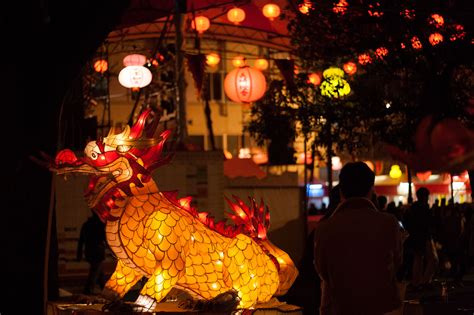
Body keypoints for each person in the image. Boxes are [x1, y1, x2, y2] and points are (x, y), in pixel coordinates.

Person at [313, 162, 406, 315]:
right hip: (381, 306)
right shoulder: (389, 223)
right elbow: (396, 262)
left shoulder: (325, 227)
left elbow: (322, 271)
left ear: (341, 191)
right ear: (371, 189)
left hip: (341, 306)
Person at [403, 187, 438, 289]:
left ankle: (417, 282)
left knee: (418, 259)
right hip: (425, 236)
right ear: (424, 196)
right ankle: (424, 281)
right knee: (432, 259)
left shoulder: (413, 208)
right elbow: (428, 223)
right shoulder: (423, 208)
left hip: (416, 237)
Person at [77, 210, 107, 294]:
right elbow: (105, 239)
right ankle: (88, 291)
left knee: (99, 272)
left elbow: (81, 241)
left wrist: (79, 254)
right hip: (98, 252)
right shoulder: (100, 225)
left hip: (89, 252)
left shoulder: (86, 225)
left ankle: (104, 289)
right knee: (95, 273)